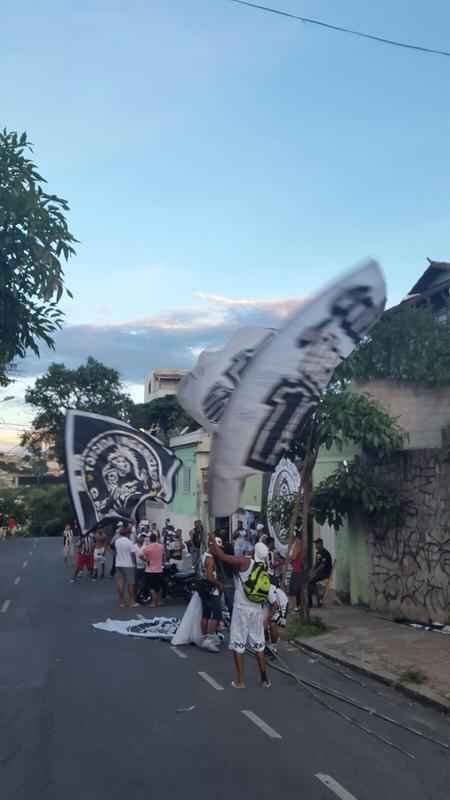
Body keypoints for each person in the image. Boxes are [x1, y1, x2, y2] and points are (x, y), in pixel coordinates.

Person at [210, 538, 272, 689]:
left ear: (254, 551)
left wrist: (212, 541)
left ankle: (239, 681)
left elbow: (223, 557)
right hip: (256, 609)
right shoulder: (265, 566)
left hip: (241, 609)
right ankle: (265, 679)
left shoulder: (245, 562)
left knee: (239, 644)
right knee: (259, 644)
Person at [199, 537, 224, 651]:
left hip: (204, 588)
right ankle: (209, 640)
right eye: (217, 549)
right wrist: (219, 584)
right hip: (212, 589)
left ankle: (204, 637)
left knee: (206, 614)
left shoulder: (204, 556)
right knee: (216, 614)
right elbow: (210, 576)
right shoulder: (211, 559)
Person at [114, 525, 139, 608]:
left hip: (119, 563)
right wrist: (135, 564)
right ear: (128, 534)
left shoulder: (117, 541)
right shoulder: (129, 542)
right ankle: (131, 601)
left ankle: (122, 602)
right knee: (131, 583)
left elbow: (115, 552)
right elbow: (132, 555)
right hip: (128, 564)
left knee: (120, 583)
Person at [141, 532, 165, 608]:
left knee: (151, 587)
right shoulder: (161, 546)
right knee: (159, 586)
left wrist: (146, 560)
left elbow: (140, 556)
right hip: (159, 569)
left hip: (150, 570)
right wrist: (162, 562)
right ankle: (159, 601)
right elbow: (164, 555)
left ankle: (154, 603)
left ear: (150, 539)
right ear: (156, 539)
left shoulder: (147, 548)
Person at [308, 538, 333, 608]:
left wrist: (314, 573)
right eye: (315, 544)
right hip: (319, 573)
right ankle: (317, 599)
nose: (315, 545)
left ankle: (313, 602)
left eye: (317, 544)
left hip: (325, 573)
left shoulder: (325, 553)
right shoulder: (318, 553)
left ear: (321, 544)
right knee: (308, 581)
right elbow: (316, 565)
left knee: (310, 582)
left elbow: (322, 565)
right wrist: (311, 571)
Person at [289, 531, 305, 611]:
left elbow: (294, 556)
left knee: (294, 589)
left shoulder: (298, 544)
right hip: (296, 568)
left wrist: (289, 556)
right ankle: (296, 606)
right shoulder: (298, 544)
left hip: (297, 569)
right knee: (295, 589)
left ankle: (296, 606)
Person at [134, 532, 147, 601]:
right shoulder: (134, 546)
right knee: (135, 583)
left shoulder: (145, 547)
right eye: (141, 537)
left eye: (143, 537)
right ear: (138, 538)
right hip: (136, 567)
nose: (142, 538)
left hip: (144, 567)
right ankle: (135, 596)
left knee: (143, 582)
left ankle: (141, 595)